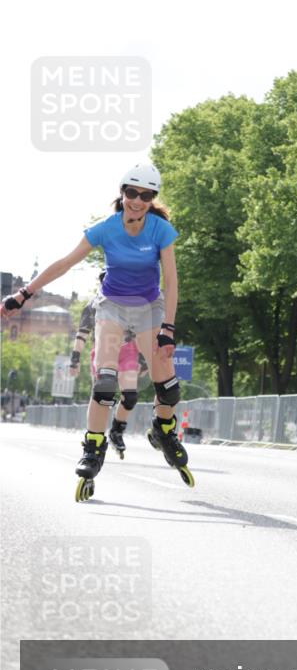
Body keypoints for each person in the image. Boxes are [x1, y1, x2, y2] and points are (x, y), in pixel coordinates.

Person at [1, 162, 193, 500]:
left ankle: (163, 431)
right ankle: (92, 447)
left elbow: (172, 281)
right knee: (105, 381)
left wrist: (169, 327)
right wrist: (23, 294)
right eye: (131, 192)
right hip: (112, 307)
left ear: (152, 199)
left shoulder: (160, 230)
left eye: (145, 195)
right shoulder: (105, 228)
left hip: (150, 307)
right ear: (122, 193)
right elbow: (65, 262)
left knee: (169, 387)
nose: (137, 200)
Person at [69, 272, 150, 458]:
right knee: (100, 395)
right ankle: (93, 438)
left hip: (127, 350)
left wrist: (144, 360)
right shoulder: (92, 306)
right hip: (103, 350)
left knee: (130, 397)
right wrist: (75, 359)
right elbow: (82, 335)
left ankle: (116, 430)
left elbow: (140, 332)